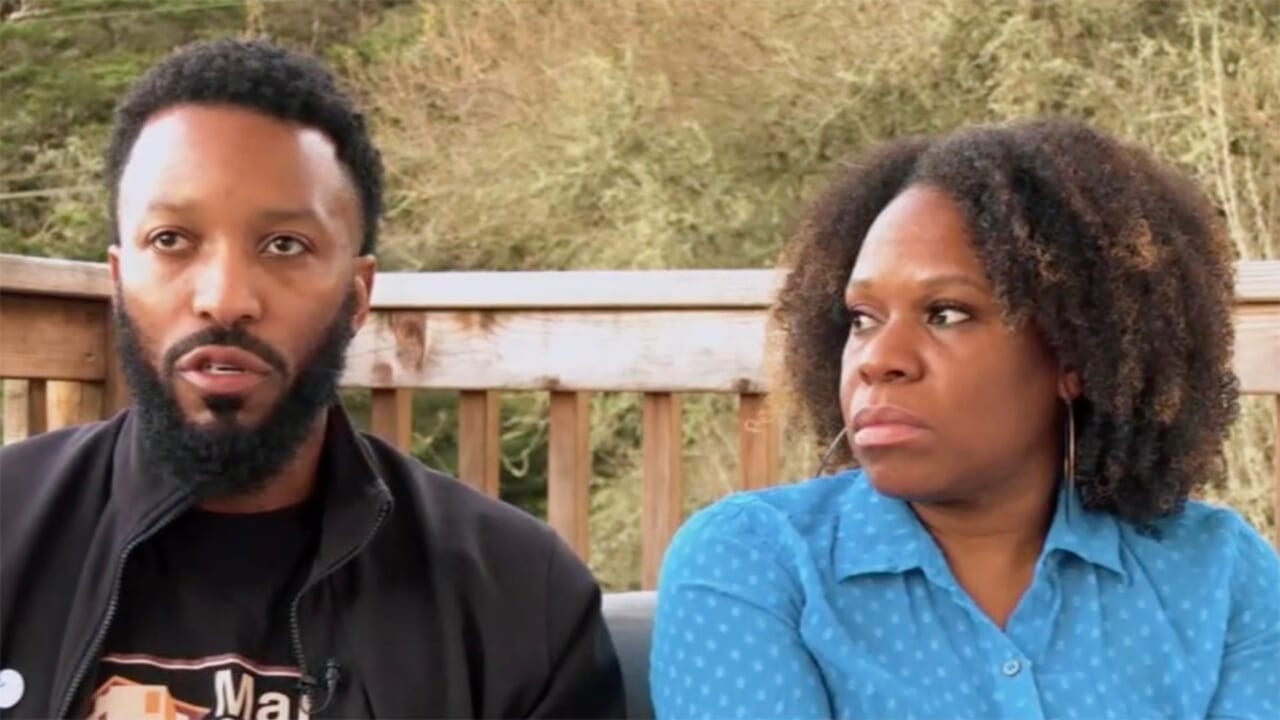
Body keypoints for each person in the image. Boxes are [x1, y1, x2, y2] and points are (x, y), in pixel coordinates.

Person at [0, 38, 624, 719]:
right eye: (171, 239)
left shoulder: (518, 599)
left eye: (284, 245)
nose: (225, 298)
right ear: (120, 282)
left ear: (356, 295)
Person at [649, 119, 1280, 719]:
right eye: (863, 319)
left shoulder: (1219, 576)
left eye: (946, 314)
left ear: (1076, 354)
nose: (878, 359)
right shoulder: (755, 563)